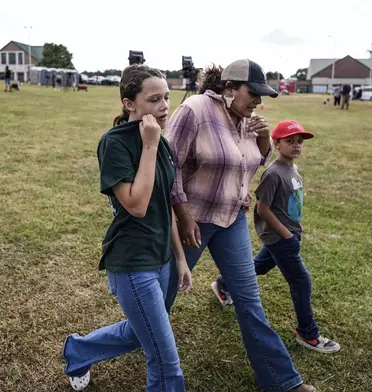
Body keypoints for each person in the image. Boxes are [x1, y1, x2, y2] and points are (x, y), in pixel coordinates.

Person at [165, 59, 315, 392]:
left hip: (231, 219)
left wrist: (263, 141)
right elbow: (168, 165)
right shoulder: (195, 110)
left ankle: (282, 382)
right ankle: (101, 345)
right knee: (159, 300)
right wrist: (184, 214)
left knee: (249, 301)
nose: (258, 102)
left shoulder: (247, 120)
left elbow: (248, 165)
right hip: (193, 221)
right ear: (229, 89)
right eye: (253, 93)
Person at [62, 64, 192, 392]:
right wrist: (149, 146)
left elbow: (164, 206)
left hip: (162, 258)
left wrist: (179, 258)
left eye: (167, 97)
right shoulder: (115, 144)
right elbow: (137, 204)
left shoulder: (161, 142)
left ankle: (79, 349)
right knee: (165, 360)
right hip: (133, 264)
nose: (164, 106)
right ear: (129, 103)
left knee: (140, 332)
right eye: (154, 100)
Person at [212, 120, 341, 354]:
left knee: (257, 267)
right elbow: (262, 209)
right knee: (301, 282)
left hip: (287, 235)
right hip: (281, 238)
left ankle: (222, 284)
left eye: (299, 142)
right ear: (276, 143)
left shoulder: (293, 168)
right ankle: (307, 333)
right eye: (290, 141)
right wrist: (287, 235)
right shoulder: (273, 173)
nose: (296, 146)